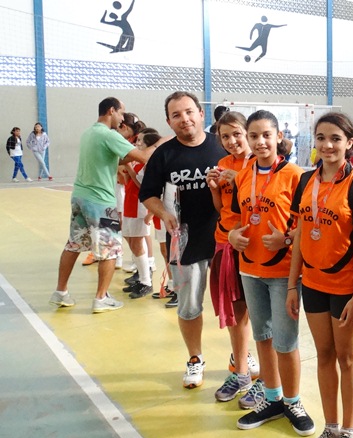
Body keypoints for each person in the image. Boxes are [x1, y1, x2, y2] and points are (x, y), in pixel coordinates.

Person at [228, 110, 315, 436]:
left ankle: (292, 401)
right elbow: (235, 217)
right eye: (254, 136)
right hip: (249, 269)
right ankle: (272, 397)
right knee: (262, 336)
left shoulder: (296, 176)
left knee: (285, 340)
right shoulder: (242, 175)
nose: (260, 142)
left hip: (283, 272)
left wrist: (286, 239)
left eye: (267, 135)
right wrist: (233, 235)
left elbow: (305, 224)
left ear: (279, 136)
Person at [286, 112, 353, 438]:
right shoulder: (306, 181)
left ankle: (349, 431)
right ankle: (330, 428)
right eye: (321, 138)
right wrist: (293, 283)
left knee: (347, 358)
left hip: (345, 287)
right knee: (323, 355)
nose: (327, 145)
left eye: (335, 138)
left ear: (349, 142)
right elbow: (302, 234)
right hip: (313, 285)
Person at [139, 91, 228, 389]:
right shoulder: (163, 155)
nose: (184, 119)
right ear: (169, 121)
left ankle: (241, 356)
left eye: (189, 112)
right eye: (176, 115)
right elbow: (148, 194)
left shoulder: (221, 146)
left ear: (201, 114)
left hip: (225, 239)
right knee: (189, 307)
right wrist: (163, 214)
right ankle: (195, 358)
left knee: (236, 304)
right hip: (185, 241)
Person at [49, 97, 148, 312]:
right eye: (121, 113)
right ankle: (101, 298)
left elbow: (111, 159)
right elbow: (142, 156)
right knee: (110, 250)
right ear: (111, 110)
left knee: (73, 245)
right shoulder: (109, 135)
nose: (122, 119)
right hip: (100, 202)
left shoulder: (89, 133)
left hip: (80, 197)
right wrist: (161, 144)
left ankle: (61, 291)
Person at [205, 111, 260, 403]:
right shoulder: (223, 164)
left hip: (252, 246)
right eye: (225, 136)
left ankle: (269, 381)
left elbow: (260, 201)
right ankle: (241, 372)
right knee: (235, 314)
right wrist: (214, 188)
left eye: (237, 134)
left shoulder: (259, 164)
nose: (231, 141)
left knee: (260, 315)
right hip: (224, 241)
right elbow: (222, 206)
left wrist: (239, 179)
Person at [119, 128, 160, 299]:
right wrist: (125, 170)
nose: (137, 144)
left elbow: (141, 185)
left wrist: (129, 168)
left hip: (140, 206)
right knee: (130, 240)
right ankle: (141, 275)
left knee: (137, 242)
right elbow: (128, 181)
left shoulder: (148, 163)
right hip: (129, 203)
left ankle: (146, 281)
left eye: (140, 141)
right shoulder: (136, 161)